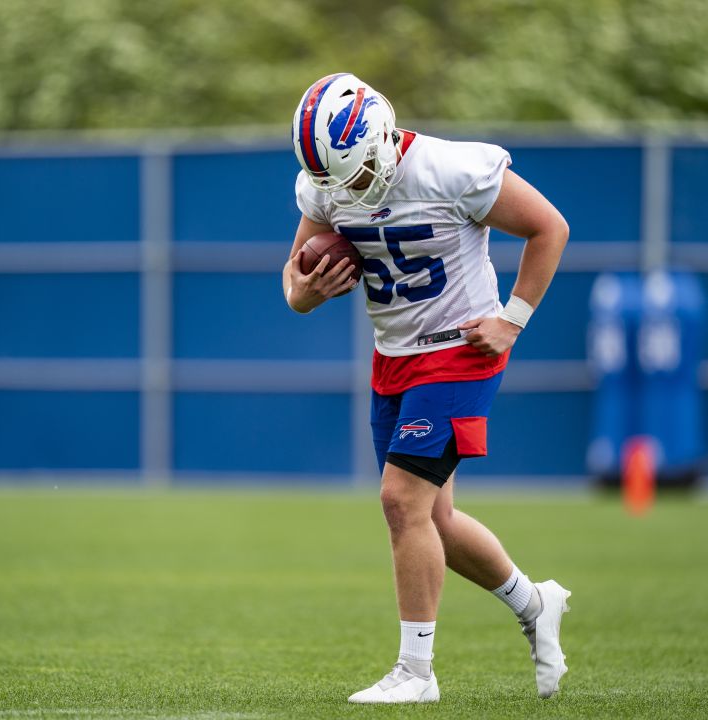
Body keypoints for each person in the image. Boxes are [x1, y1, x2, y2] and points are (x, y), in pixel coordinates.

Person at [281, 73, 573, 704]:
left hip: (461, 352)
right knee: (432, 517)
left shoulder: (452, 168)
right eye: (336, 183)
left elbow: (550, 227)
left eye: (356, 176)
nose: (348, 193)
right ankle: (535, 603)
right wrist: (300, 294)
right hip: (394, 358)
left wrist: (512, 321)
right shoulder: (328, 181)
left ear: (382, 136)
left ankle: (417, 673)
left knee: (399, 503)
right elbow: (296, 270)